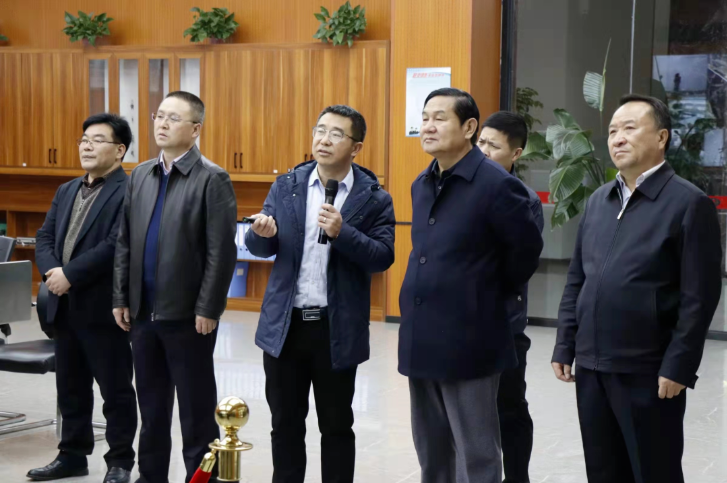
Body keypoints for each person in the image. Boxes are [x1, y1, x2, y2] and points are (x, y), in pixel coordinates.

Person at [551, 94, 722, 483]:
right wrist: (565, 342)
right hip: (592, 367)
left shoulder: (688, 203)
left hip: (648, 371)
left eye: (630, 128)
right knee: (603, 471)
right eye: (613, 130)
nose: (618, 138)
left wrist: (679, 365)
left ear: (661, 137)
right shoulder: (599, 201)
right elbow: (578, 278)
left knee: (653, 471)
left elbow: (699, 298)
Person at [398, 88, 543, 483]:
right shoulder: (422, 183)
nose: (428, 126)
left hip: (471, 339)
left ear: (469, 127)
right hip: (421, 336)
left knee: (476, 456)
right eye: (424, 117)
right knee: (431, 452)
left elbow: (524, 256)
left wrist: (479, 299)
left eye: (439, 118)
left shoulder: (497, 184)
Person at [245, 105, 395, 483]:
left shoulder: (374, 198)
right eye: (320, 130)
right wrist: (260, 235)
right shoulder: (287, 185)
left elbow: (382, 257)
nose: (324, 140)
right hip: (285, 326)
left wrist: (343, 232)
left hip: (335, 329)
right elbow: (261, 245)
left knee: (336, 426)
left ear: (356, 147)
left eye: (336, 134)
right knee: (285, 424)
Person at [113, 91, 238, 483]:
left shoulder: (212, 178)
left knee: (196, 411)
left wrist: (209, 307)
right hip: (142, 313)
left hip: (187, 316)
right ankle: (151, 476)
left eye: (173, 118)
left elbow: (221, 251)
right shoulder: (140, 175)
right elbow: (124, 241)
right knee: (151, 410)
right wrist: (120, 296)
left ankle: (202, 479)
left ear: (195, 129)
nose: (162, 124)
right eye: (159, 115)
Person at [32, 113, 137, 483]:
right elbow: (44, 237)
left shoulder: (129, 190)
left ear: (120, 150)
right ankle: (72, 456)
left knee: (115, 390)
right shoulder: (67, 189)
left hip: (104, 307)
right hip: (64, 306)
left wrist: (70, 275)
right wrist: (52, 272)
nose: (87, 146)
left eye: (97, 140)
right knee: (71, 388)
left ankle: (120, 462)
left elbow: (116, 244)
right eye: (84, 140)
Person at [478, 111, 544, 483]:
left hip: (504, 325)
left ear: (515, 154)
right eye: (480, 142)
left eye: (493, 146)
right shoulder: (456, 188)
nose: (483, 151)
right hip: (459, 325)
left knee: (510, 408)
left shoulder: (524, 200)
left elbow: (518, 265)